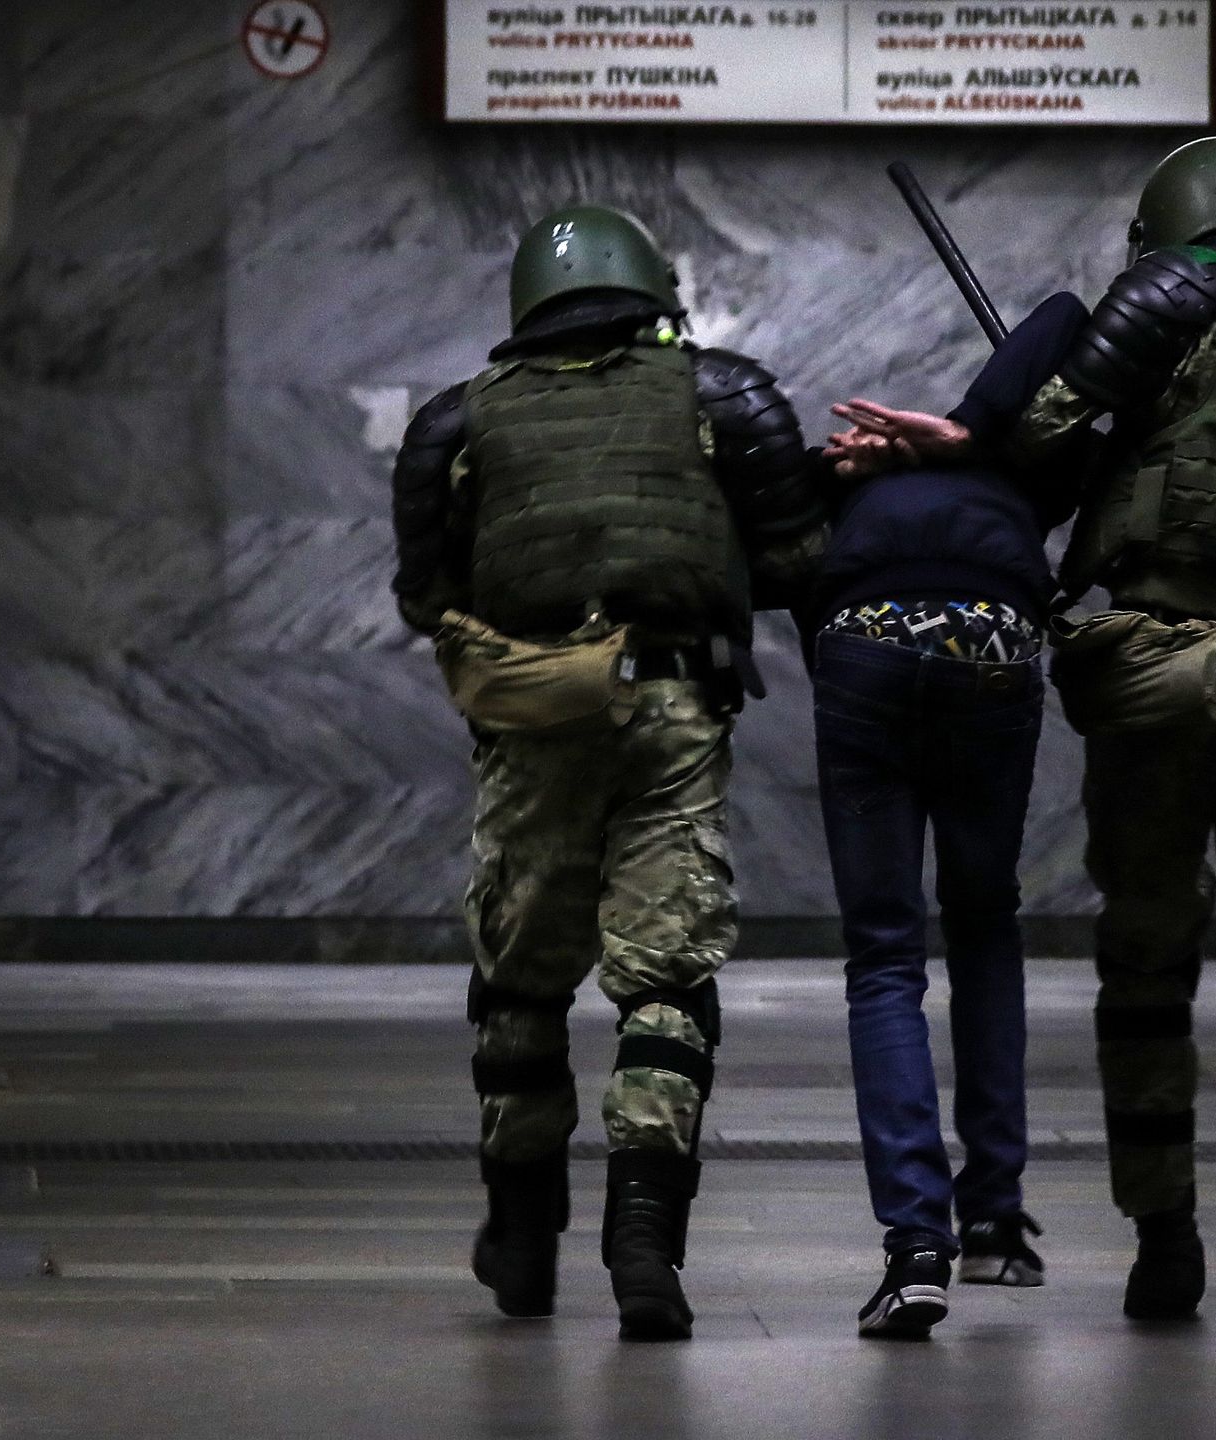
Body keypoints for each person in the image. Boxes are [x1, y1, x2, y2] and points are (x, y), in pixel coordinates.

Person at [829, 136, 1216, 1345]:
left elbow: (1044, 432)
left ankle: (1167, 1241)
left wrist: (980, 438)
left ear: (1171, 230)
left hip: (1164, 658)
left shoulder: (1169, 290)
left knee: (1147, 960)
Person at [389, 204, 826, 1340]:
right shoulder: (723, 393)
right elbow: (797, 556)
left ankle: (521, 1234)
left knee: (521, 979)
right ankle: (645, 1239)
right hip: (672, 702)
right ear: (653, 293)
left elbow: (422, 594)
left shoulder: (454, 421)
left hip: (534, 713)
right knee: (665, 973)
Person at [807, 299, 1084, 1338]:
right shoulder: (1031, 477)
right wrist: (968, 433)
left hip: (866, 643)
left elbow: (1059, 316)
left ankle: (915, 1246)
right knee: (983, 928)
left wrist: (955, 429)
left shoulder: (989, 463)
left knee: (883, 957)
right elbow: (1063, 320)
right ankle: (997, 1224)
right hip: (991, 640)